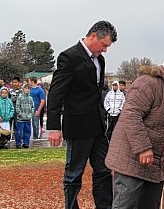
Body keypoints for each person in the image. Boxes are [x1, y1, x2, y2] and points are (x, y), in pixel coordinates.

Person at [47, 20, 117, 209]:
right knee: (73, 174)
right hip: (77, 125)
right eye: (104, 45)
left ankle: (105, 206)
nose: (105, 50)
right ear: (93, 36)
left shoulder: (100, 60)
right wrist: (54, 127)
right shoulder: (69, 57)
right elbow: (56, 93)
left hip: (98, 126)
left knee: (103, 170)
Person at [106, 51, 164, 209]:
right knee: (125, 205)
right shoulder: (147, 83)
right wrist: (143, 148)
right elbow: (131, 115)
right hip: (131, 160)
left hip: (154, 164)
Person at [15, 84, 34, 149]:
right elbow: (17, 107)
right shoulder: (20, 97)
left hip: (28, 119)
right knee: (19, 132)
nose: (27, 90)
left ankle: (26, 143)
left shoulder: (31, 98)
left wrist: (30, 114)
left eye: (28, 89)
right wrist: (21, 114)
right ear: (23, 89)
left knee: (27, 131)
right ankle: (18, 143)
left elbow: (33, 107)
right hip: (20, 119)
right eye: (26, 88)